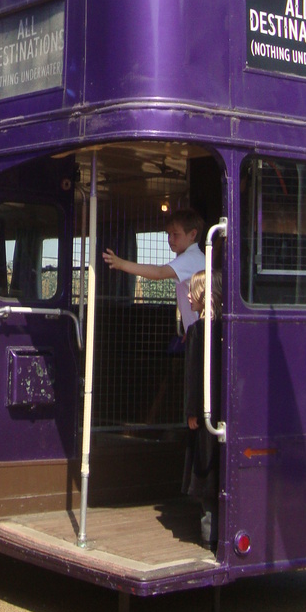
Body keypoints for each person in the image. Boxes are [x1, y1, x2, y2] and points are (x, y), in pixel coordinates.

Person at [102, 207, 206, 334]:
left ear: (193, 234)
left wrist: (120, 263)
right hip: (197, 330)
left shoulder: (190, 258)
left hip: (200, 332)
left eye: (175, 234)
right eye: (168, 234)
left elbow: (159, 273)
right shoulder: (195, 257)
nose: (170, 239)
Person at [183, 269, 223, 546]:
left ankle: (208, 536)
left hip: (205, 411)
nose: (187, 296)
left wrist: (192, 411)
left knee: (205, 474)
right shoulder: (226, 329)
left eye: (192, 292)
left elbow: (194, 375)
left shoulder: (197, 331)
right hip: (222, 409)